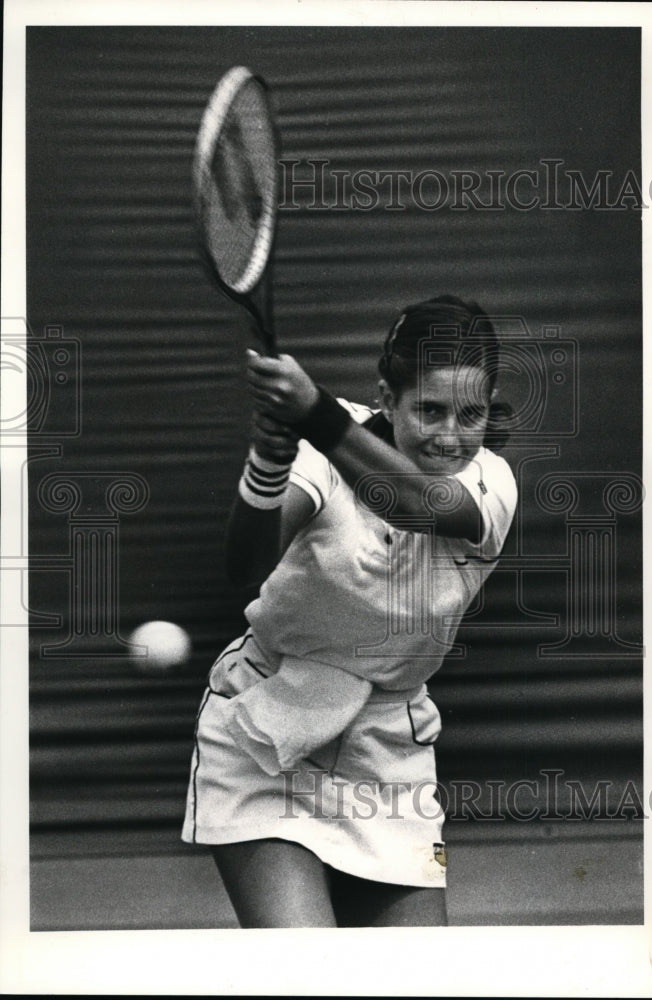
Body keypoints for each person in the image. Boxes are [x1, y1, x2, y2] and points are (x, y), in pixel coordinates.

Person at [181, 294, 518, 927]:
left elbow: (422, 505)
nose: (450, 436)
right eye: (430, 410)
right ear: (387, 396)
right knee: (309, 977)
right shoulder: (323, 454)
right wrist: (270, 460)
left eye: (469, 414)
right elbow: (246, 570)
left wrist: (315, 413)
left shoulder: (491, 481)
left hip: (388, 751)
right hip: (266, 729)